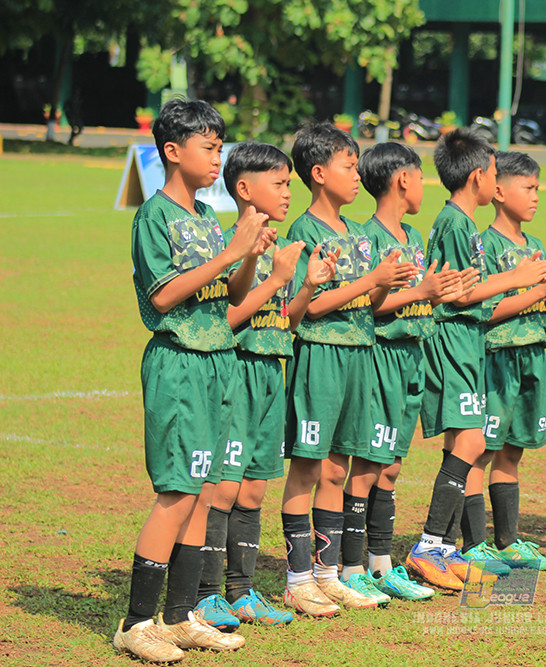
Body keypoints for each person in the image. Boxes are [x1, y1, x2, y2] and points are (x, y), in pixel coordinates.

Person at [115, 99, 269, 662]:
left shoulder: (206, 216)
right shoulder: (154, 215)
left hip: (217, 361)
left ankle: (179, 618)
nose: (218, 157)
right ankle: (136, 624)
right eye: (209, 147)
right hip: (179, 362)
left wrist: (247, 254)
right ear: (173, 152)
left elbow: (230, 292)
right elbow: (162, 295)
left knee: (202, 494)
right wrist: (231, 248)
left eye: (220, 145)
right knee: (176, 493)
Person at [193, 142, 339, 630]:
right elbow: (228, 319)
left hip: (272, 373)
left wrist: (305, 287)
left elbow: (284, 323)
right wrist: (275, 279)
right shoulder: (229, 245)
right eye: (277, 183)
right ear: (243, 188)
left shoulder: (280, 247)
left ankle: (242, 592)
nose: (286, 191)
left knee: (254, 491)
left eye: (287, 183)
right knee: (224, 488)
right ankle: (207, 595)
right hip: (239, 373)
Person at [280, 122, 416, 615]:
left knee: (337, 469)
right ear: (318, 173)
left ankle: (328, 574)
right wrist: (374, 281)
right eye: (348, 166)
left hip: (359, 354)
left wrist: (388, 281)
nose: (357, 176)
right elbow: (311, 306)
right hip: (320, 354)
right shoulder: (305, 230)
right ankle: (297, 581)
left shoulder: (359, 234)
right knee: (307, 469)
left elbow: (373, 297)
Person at [406, 129, 546, 590]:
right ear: (478, 177)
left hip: (467, 340)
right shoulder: (456, 223)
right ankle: (430, 546)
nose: (495, 179)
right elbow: (458, 293)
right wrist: (518, 278)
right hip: (453, 338)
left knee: (466, 443)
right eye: (492, 171)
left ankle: (443, 549)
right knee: (469, 442)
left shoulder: (461, 221)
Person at [348, 141, 469, 600]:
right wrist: (423, 291)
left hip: (412, 359)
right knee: (370, 464)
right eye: (420, 178)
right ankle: (354, 564)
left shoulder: (414, 237)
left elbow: (421, 292)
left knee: (392, 466)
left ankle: (380, 563)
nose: (424, 187)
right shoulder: (371, 239)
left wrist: (439, 291)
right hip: (383, 358)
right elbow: (370, 303)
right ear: (403, 180)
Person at [475, 151, 546, 570]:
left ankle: (508, 541)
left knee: (513, 452)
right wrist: (540, 292)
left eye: (538, 188)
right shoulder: (485, 246)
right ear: (499, 191)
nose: (536, 196)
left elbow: (543, 305)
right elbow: (486, 310)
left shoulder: (536, 246)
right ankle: (474, 544)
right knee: (481, 451)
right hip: (497, 358)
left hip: (531, 356)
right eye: (528, 187)